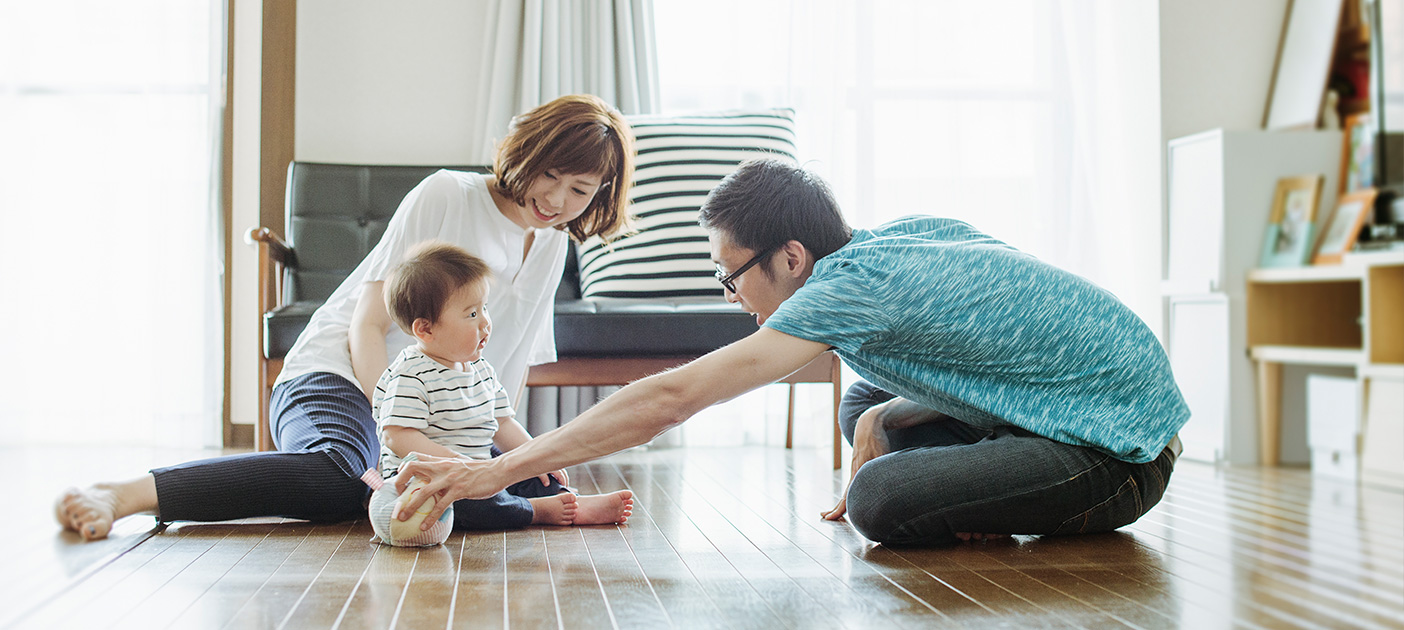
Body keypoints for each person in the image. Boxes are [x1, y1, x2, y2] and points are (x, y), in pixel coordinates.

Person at [391, 158, 1189, 547]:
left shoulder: (839, 293)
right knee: (863, 406)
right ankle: (971, 477)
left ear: (792, 258)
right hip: (1080, 405)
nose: (730, 295)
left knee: (880, 502)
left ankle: (991, 490)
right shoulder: (893, 242)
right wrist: (882, 424)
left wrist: (493, 471)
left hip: (1119, 455)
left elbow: (673, 398)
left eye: (730, 275)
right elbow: (991, 356)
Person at [54, 94, 635, 540]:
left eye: (580, 189)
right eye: (549, 175)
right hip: (339, 376)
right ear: (526, 153)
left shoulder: (553, 245)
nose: (556, 200)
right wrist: (394, 425)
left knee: (519, 480)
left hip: (425, 411)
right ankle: (130, 493)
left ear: (600, 195)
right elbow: (366, 320)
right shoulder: (449, 196)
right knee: (340, 473)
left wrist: (513, 460)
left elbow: (502, 370)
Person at [366, 241, 630, 546]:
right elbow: (397, 436)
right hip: (429, 481)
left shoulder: (480, 369)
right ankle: (534, 511)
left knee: (533, 473)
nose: (485, 323)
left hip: (481, 467)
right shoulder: (411, 375)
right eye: (471, 314)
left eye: (484, 309)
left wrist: (538, 457)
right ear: (425, 329)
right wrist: (456, 463)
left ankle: (568, 501)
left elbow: (502, 425)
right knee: (471, 504)